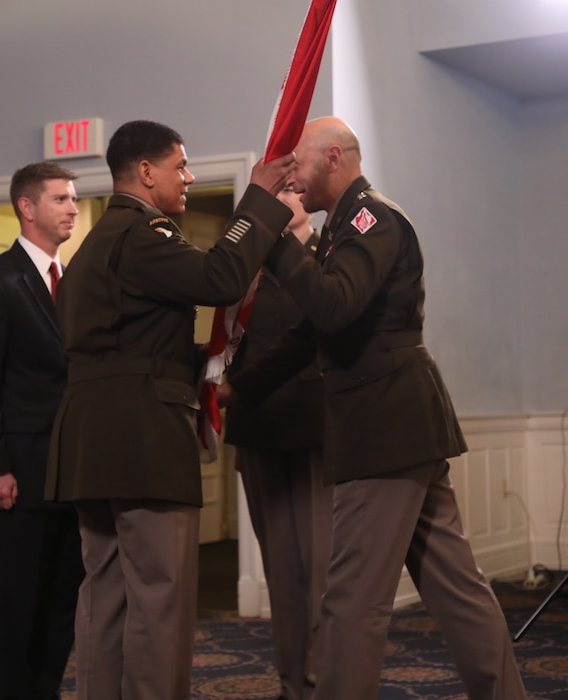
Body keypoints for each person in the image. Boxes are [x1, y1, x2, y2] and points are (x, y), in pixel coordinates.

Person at [223, 117, 527, 699]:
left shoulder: (371, 219)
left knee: (351, 599)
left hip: (385, 426)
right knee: (454, 588)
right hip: (399, 422)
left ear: (334, 157)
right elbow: (311, 334)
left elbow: (333, 308)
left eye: (300, 164)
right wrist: (242, 387)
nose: (292, 178)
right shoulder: (343, 227)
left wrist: (285, 242)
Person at [44, 119, 296, 700]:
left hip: (89, 440)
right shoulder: (142, 234)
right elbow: (222, 277)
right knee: (161, 597)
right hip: (142, 439)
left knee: (105, 596)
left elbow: (124, 343)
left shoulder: (91, 248)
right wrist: (257, 198)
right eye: (180, 166)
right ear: (146, 172)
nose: (187, 178)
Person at [0, 161, 85, 700]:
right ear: (27, 208)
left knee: (62, 600)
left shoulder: (72, 283)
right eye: (60, 199)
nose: (72, 207)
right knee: (17, 602)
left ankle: (45, 691)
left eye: (73, 198)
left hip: (72, 475)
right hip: (17, 479)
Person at [221, 186, 332, 700]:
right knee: (282, 574)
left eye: (294, 188)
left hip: (318, 431)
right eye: (279, 188)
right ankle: (294, 684)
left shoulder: (332, 253)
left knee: (322, 573)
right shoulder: (245, 265)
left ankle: (326, 681)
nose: (288, 195)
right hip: (258, 428)